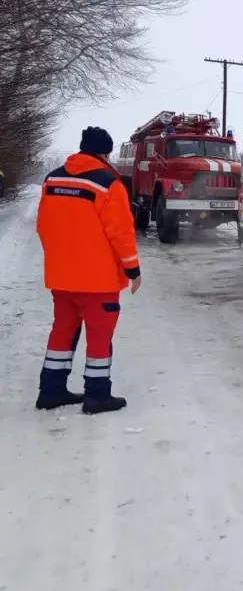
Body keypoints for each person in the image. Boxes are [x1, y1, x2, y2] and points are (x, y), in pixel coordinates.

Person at [35, 127, 142, 414]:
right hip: (98, 280)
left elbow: (43, 226)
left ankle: (51, 391)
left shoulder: (53, 179)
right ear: (105, 153)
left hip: (61, 276)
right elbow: (121, 233)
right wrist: (133, 269)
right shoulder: (108, 183)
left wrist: (59, 258)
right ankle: (97, 395)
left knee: (63, 330)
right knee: (99, 334)